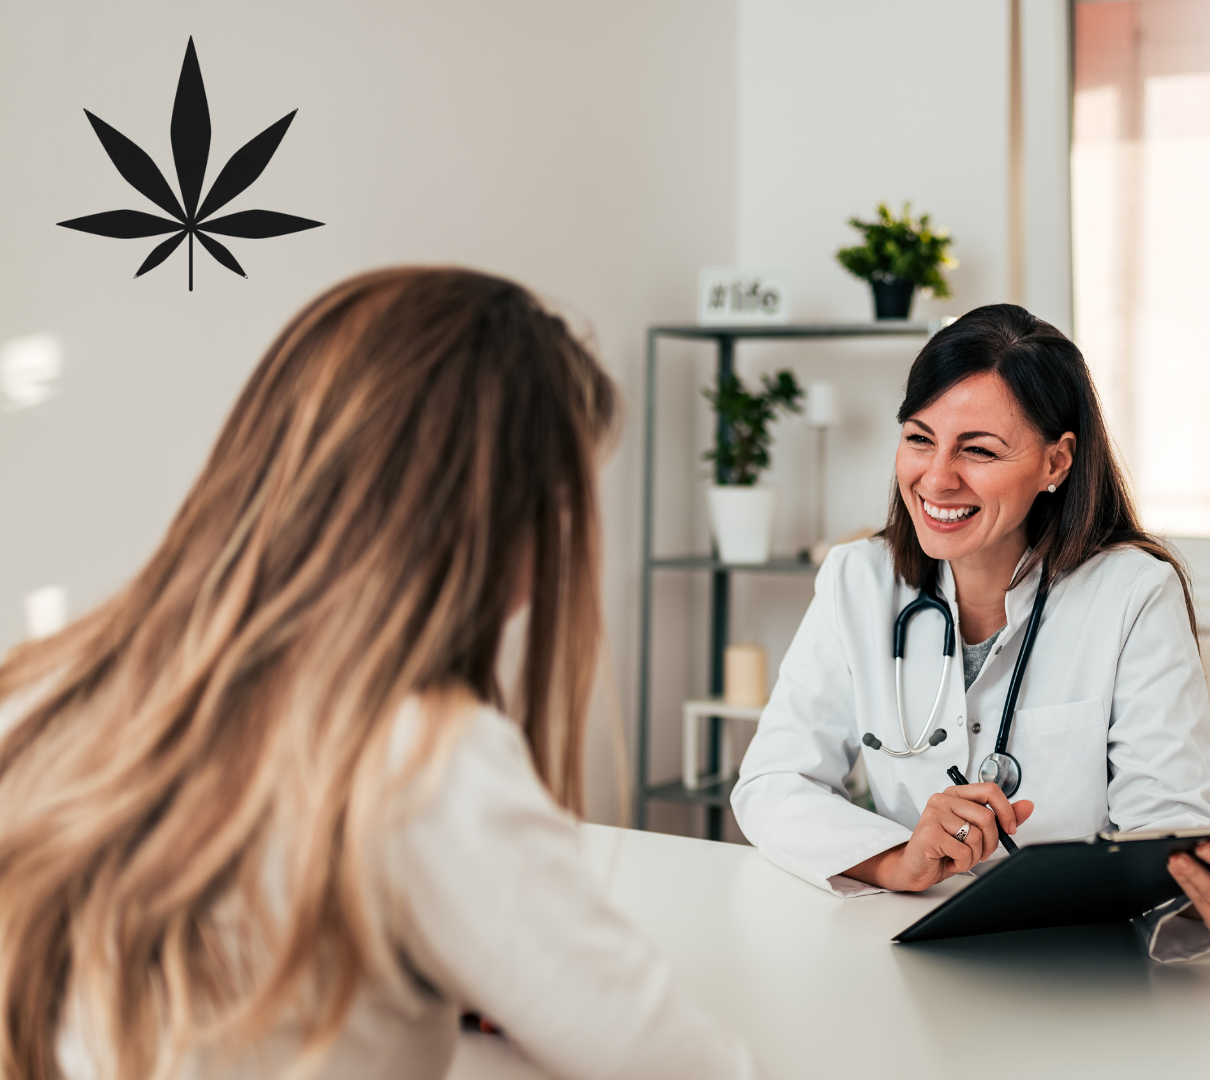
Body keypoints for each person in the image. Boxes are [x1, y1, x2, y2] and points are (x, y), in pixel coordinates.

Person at [0, 269, 754, 1080]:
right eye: (561, 507)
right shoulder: (428, 762)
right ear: (500, 520)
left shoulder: (44, 687)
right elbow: (684, 1067)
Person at [731, 304, 1210, 961]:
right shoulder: (856, 579)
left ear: (1056, 462)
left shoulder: (1133, 593)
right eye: (920, 438)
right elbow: (773, 782)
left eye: (978, 450)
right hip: (908, 949)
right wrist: (898, 860)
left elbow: (1166, 822)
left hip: (1071, 959)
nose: (937, 478)